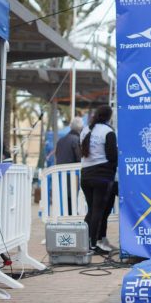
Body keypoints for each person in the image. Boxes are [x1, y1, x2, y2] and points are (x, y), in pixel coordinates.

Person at [80, 105, 117, 253]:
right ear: (109, 117)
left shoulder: (85, 130)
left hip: (85, 174)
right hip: (101, 176)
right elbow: (112, 156)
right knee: (98, 211)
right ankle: (94, 245)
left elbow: (82, 152)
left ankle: (84, 242)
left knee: (91, 211)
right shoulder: (108, 132)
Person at [55, 116, 83, 215]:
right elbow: (79, 158)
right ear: (80, 128)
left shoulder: (61, 140)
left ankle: (66, 216)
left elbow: (57, 155)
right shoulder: (76, 140)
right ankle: (72, 216)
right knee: (73, 196)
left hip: (60, 173)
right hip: (72, 173)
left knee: (65, 197)